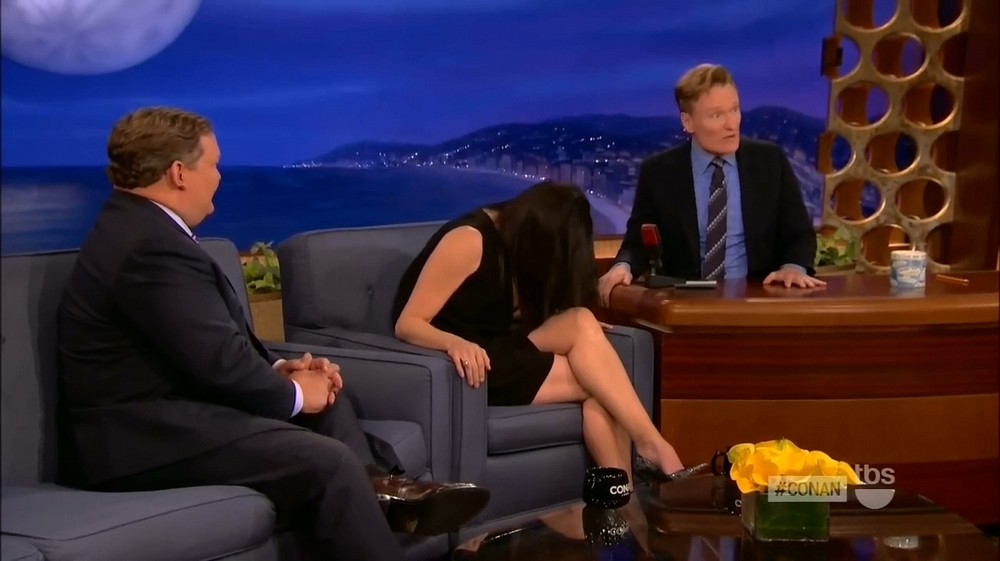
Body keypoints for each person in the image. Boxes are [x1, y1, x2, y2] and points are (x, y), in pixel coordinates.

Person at [57, 107, 489, 561]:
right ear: (179, 173)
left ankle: (378, 496)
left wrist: (281, 370)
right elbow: (218, 364)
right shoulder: (149, 246)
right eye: (214, 165)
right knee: (328, 461)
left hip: (181, 408)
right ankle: (376, 500)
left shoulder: (141, 228)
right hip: (139, 440)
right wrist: (294, 394)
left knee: (331, 402)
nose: (220, 177)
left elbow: (196, 347)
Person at [392, 181, 685, 484]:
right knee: (602, 388)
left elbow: (504, 312)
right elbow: (408, 323)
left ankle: (643, 463)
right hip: (466, 364)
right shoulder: (470, 240)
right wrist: (453, 343)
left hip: (497, 345)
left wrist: (583, 334)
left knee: (582, 321)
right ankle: (635, 481)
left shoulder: (515, 245)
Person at [598, 63, 825, 306]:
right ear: (688, 122)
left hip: (756, 302)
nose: (731, 124)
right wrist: (623, 267)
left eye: (735, 109)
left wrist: (793, 267)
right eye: (717, 115)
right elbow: (638, 242)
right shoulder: (659, 172)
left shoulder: (770, 161)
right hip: (685, 305)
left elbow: (799, 234)